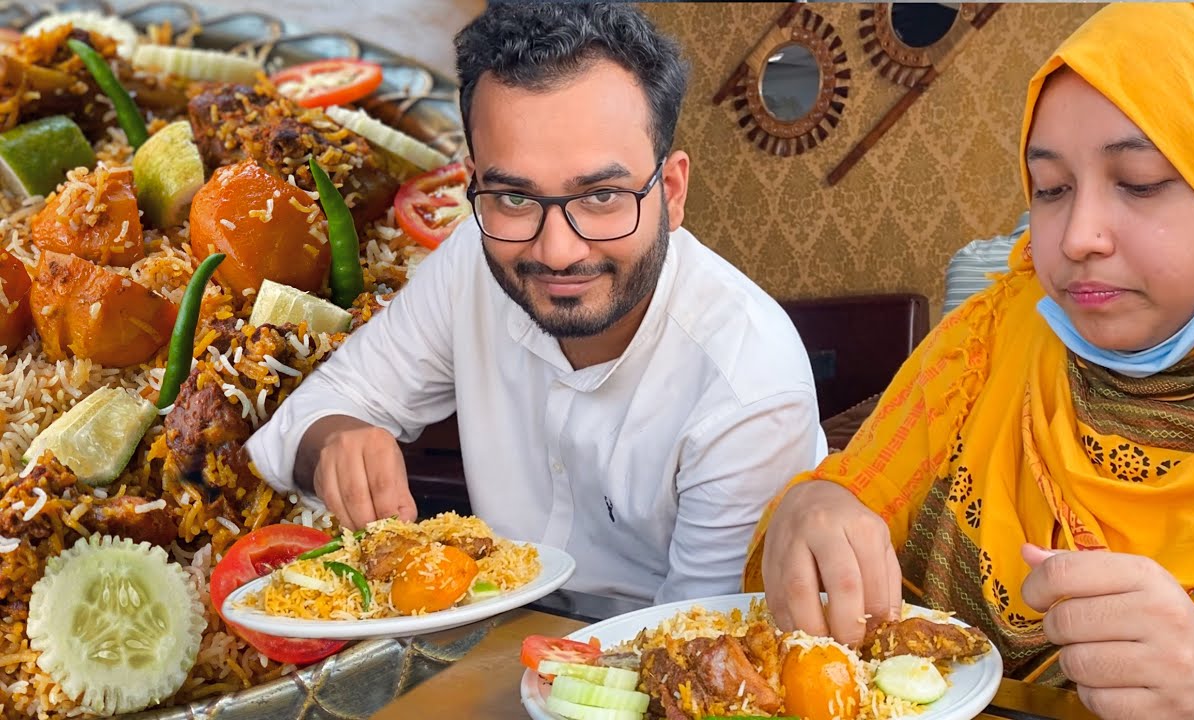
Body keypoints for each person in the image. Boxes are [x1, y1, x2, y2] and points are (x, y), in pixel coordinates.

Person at [744, 4, 1194, 718]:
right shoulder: (991, 339)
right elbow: (849, 503)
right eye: (1051, 189)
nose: (1078, 235)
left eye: (1140, 180)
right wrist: (812, 508)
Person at [246, 3, 822, 605]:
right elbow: (314, 416)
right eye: (515, 199)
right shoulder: (474, 257)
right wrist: (333, 441)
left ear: (671, 192)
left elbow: (701, 637)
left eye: (601, 196)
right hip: (487, 631)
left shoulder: (748, 385)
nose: (557, 251)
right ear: (474, 185)